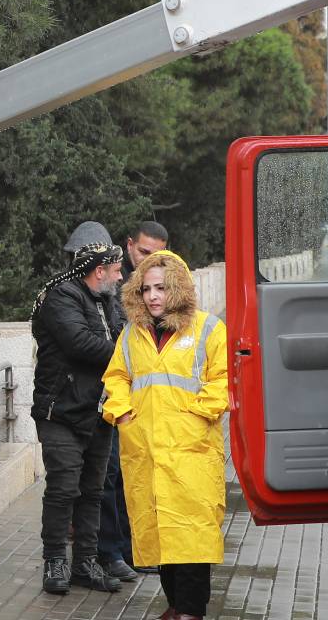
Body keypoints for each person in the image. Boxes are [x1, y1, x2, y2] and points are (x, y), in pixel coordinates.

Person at [102, 248, 229, 620]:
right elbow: (116, 377)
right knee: (160, 534)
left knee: (192, 537)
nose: (153, 296)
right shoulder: (133, 333)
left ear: (178, 288)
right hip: (147, 451)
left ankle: (189, 611)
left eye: (161, 288)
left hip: (192, 451)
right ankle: (175, 605)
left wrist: (195, 415)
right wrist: (122, 414)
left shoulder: (207, 328)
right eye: (146, 289)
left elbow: (223, 379)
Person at [29, 221, 127, 596]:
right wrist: (130, 356)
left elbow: (123, 333)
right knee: (63, 489)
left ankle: (85, 563)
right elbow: (81, 344)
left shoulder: (107, 300)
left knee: (93, 491)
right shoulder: (61, 297)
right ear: (98, 270)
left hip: (99, 410)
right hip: (61, 411)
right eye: (115, 270)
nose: (120, 277)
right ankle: (55, 560)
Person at [97, 219, 169, 583]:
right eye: (143, 252)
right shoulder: (114, 282)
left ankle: (132, 549)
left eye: (157, 254)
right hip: (116, 397)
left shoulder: (161, 283)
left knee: (137, 477)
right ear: (129, 246)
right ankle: (114, 552)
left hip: (148, 400)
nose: (148, 259)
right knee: (113, 475)